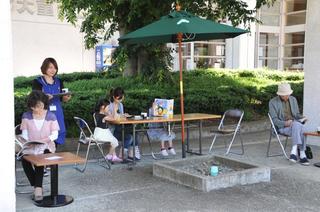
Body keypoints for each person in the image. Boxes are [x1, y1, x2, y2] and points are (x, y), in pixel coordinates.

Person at [20, 90, 60, 201]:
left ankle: (37, 189)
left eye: (39, 106)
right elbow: (25, 135)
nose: (37, 109)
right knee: (25, 160)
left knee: (39, 161)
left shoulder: (51, 115)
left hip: (47, 146)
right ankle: (37, 185)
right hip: (31, 146)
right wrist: (28, 142)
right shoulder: (26, 116)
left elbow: (55, 134)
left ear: (44, 103)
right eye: (34, 107)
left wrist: (45, 140)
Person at [32, 57, 71, 146]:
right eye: (50, 67)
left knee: (57, 134)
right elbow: (34, 98)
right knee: (45, 136)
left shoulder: (58, 81)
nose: (53, 70)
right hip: (44, 113)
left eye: (55, 67)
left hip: (57, 113)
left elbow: (62, 98)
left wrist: (66, 98)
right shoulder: (37, 81)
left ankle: (53, 155)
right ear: (44, 67)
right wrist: (44, 98)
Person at [269, 82, 309, 165]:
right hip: (282, 127)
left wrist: (302, 118)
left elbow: (296, 114)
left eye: (288, 94)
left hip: (294, 126)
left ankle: (294, 152)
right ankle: (302, 154)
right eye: (284, 95)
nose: (287, 96)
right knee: (300, 127)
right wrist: (285, 123)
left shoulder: (293, 99)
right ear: (280, 94)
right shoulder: (272, 102)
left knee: (297, 125)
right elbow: (274, 120)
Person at [107, 87, 141, 160]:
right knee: (130, 135)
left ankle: (130, 153)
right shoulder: (109, 105)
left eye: (121, 98)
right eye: (119, 98)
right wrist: (117, 112)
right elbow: (112, 118)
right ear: (114, 97)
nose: (120, 100)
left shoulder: (120, 105)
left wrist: (124, 115)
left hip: (120, 127)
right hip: (112, 130)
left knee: (133, 133)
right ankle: (125, 153)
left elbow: (120, 116)